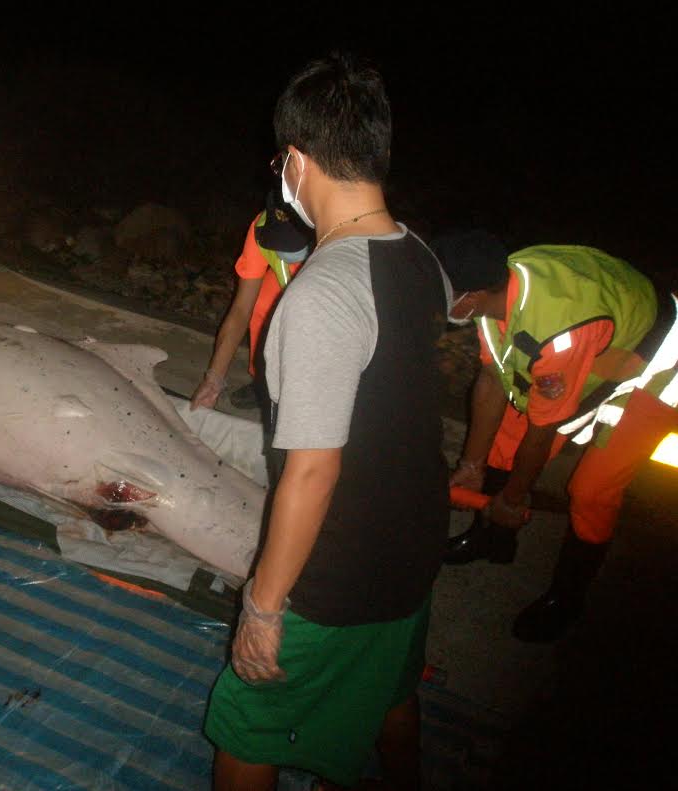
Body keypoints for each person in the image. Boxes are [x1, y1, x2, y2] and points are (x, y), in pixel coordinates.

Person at [203, 53, 450, 791]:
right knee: (387, 693)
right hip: (412, 550)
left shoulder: (318, 295)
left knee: (245, 730)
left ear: (298, 161)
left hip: (338, 574)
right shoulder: (419, 258)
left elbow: (312, 470)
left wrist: (264, 605)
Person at [434, 230, 678, 642]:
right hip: (606, 337)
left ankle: (567, 598)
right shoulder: (496, 291)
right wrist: (472, 466)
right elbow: (494, 379)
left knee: (591, 490)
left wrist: (513, 498)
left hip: (658, 367)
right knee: (502, 444)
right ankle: (493, 539)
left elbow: (543, 429)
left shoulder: (556, 334)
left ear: (470, 296)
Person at [190, 189, 310, 411]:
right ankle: (263, 381)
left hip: (327, 294)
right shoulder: (261, 229)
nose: (285, 249)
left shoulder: (336, 237)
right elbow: (240, 310)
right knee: (263, 302)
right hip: (290, 283)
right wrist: (213, 379)